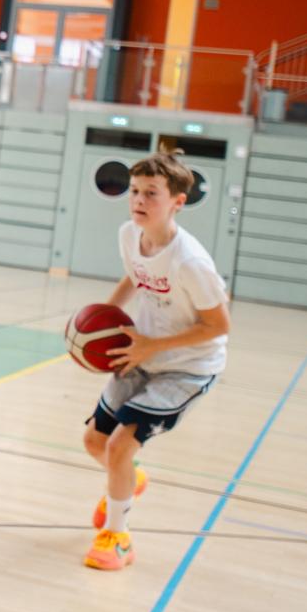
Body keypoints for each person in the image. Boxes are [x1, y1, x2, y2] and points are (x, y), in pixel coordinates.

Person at [82, 152, 231, 571]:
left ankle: (118, 538)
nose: (139, 200)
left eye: (151, 193)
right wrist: (101, 321)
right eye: (134, 191)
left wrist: (152, 346)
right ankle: (131, 476)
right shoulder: (130, 234)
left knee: (119, 446)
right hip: (142, 350)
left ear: (177, 202)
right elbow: (135, 273)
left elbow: (220, 324)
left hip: (188, 366)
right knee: (95, 443)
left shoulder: (191, 262)